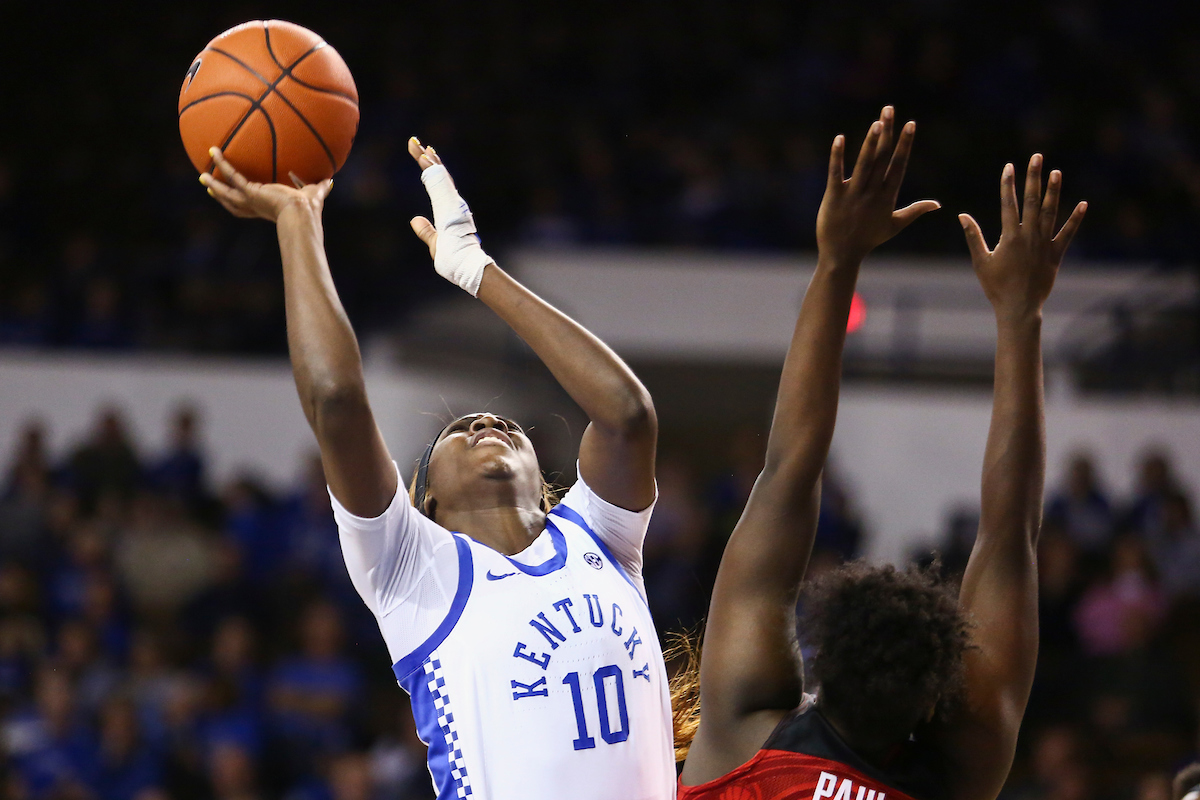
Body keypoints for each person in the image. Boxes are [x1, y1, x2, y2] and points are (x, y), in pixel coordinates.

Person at [200, 138, 673, 799]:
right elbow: (335, 400)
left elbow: (627, 414)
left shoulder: (602, 537)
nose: (484, 423)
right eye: (457, 431)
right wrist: (296, 221)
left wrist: (477, 270)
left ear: (544, 477)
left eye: (501, 424)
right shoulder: (412, 568)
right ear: (427, 503)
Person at [677, 107, 1087, 800]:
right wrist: (1022, 317)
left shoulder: (745, 736)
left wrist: (838, 260)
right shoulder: (956, 775)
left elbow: (787, 473)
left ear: (819, 662)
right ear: (939, 702)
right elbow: (1011, 537)